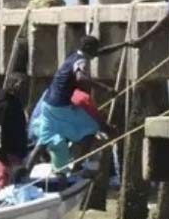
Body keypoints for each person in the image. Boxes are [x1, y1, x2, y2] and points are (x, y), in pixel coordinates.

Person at [29, 36, 124, 171]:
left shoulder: (74, 55)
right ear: (89, 49)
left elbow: (100, 52)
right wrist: (105, 88)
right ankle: (77, 166)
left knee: (43, 142)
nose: (97, 52)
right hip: (61, 107)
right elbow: (80, 77)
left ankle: (24, 171)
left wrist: (124, 44)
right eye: (95, 50)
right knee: (91, 128)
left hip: (47, 105)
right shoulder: (81, 62)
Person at [0, 73, 30, 191]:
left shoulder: (15, 102)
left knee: (16, 183)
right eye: (21, 85)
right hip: (6, 153)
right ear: (13, 85)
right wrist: (0, 153)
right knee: (3, 182)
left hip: (17, 151)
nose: (23, 88)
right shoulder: (2, 105)